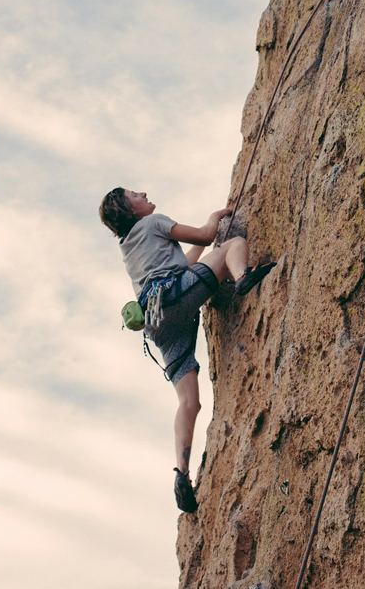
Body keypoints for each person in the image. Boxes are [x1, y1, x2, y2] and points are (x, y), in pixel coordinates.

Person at [99, 187, 274, 513]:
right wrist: (216, 219)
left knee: (188, 401)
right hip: (174, 300)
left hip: (156, 320)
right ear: (131, 209)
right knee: (234, 245)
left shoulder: (129, 246)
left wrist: (206, 249)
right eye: (135, 194)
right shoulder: (153, 223)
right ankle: (242, 277)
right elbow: (208, 237)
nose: (144, 192)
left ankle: (181, 473)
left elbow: (185, 267)